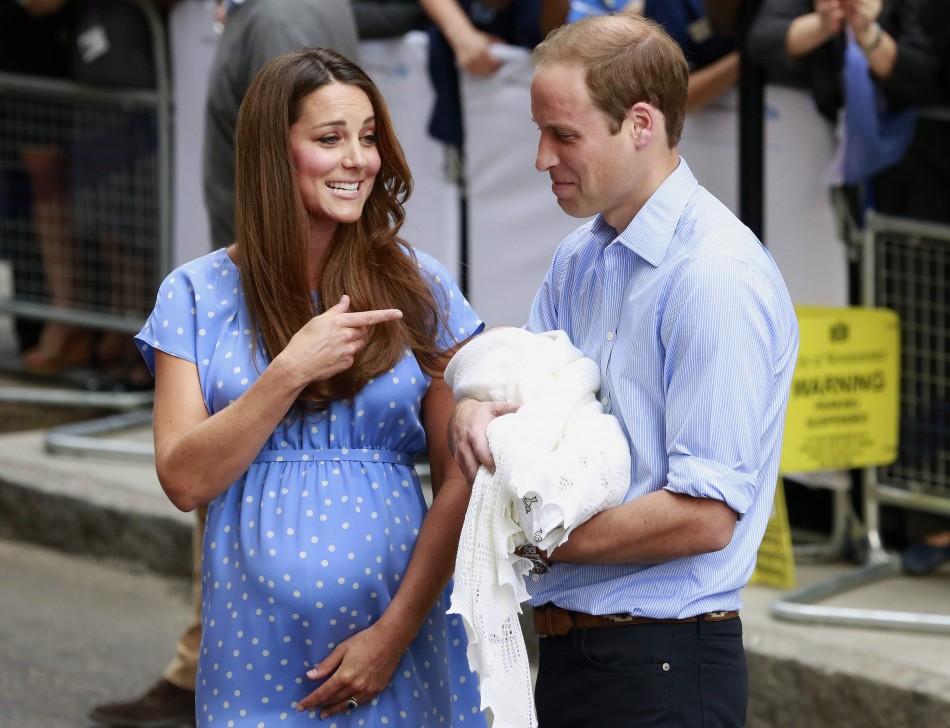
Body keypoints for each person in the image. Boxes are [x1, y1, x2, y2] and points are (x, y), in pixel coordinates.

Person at [449, 14, 799, 726]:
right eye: (539, 132)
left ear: (641, 123)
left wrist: (527, 536)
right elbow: (524, 396)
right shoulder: (580, 255)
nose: (542, 157)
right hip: (591, 654)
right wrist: (473, 407)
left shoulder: (713, 276)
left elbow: (705, 516)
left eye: (564, 135)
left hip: (665, 668)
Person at [134, 47, 486, 726]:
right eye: (330, 139)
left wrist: (394, 634)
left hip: (401, 635)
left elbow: (461, 484)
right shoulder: (195, 294)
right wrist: (290, 370)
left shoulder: (423, 286)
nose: (358, 159)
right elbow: (184, 480)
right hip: (253, 648)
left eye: (368, 136)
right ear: (274, 152)